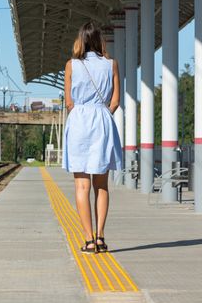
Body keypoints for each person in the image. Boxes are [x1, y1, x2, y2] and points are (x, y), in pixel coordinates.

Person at [61, 21, 123, 254]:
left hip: (79, 121)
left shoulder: (71, 65)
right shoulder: (111, 64)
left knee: (82, 185)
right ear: (99, 41)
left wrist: (79, 115)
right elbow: (115, 101)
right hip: (102, 120)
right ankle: (100, 237)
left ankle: (88, 240)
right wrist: (103, 113)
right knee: (101, 185)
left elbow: (69, 101)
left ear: (81, 40)